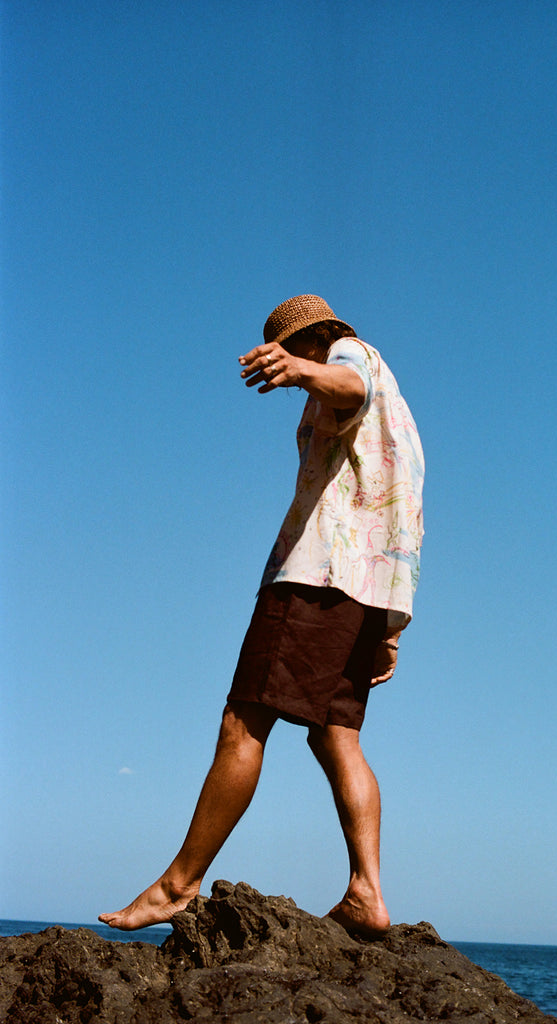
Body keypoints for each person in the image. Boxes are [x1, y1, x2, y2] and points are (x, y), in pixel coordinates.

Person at [99, 295, 424, 939]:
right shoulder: (400, 411)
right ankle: (367, 892)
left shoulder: (348, 360)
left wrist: (305, 371)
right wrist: (389, 626)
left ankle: (176, 885)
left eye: (292, 352)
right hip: (372, 590)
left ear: (309, 340)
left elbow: (346, 382)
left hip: (318, 576)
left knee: (243, 722)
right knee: (336, 735)